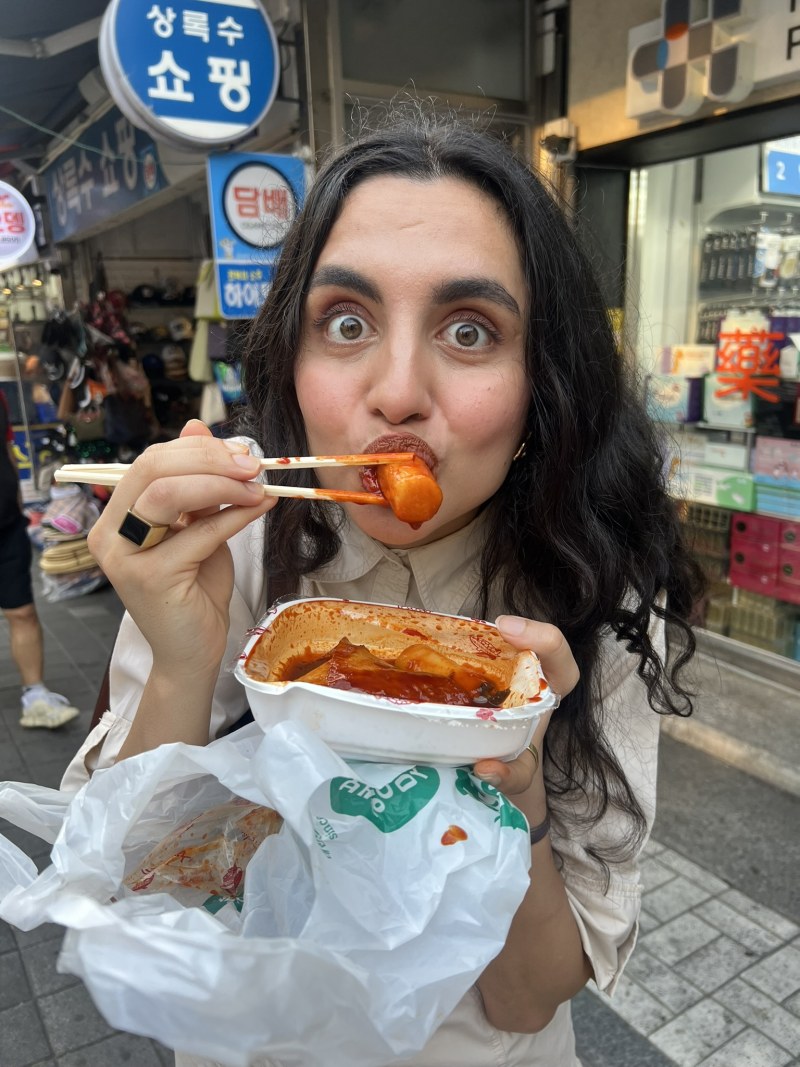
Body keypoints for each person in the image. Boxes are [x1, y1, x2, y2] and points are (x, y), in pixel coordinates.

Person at [63, 111, 704, 1066]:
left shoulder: (593, 586)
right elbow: (131, 907)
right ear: (294, 354)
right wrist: (181, 664)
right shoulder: (234, 550)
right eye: (349, 322)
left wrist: (517, 786)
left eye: (470, 329)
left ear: (542, 382)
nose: (398, 390)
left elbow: (529, 1001)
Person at [0, 390, 80, 728]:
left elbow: (7, 447)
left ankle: (35, 696)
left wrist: (17, 498)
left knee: (23, 611)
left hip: (5, 524)